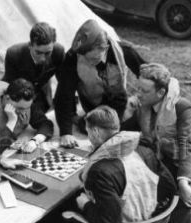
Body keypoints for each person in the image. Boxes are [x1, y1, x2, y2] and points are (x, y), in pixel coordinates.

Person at [122, 63, 191, 223]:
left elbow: (189, 148)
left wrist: (184, 181)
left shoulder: (182, 107)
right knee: (136, 180)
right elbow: (126, 130)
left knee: (188, 195)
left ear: (161, 92)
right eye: (137, 89)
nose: (138, 94)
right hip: (165, 160)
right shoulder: (144, 106)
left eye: (144, 90)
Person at [76, 105, 176, 223]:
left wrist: (85, 204)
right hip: (153, 218)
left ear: (95, 132)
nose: (89, 138)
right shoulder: (145, 150)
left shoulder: (99, 171)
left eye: (88, 132)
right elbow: (170, 186)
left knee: (73, 202)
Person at [54, 19, 146, 148]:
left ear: (105, 48)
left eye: (94, 59)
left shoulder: (123, 50)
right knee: (97, 131)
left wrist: (142, 95)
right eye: (85, 59)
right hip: (92, 105)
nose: (90, 62)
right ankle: (81, 120)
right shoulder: (73, 57)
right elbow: (63, 95)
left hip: (118, 102)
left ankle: (87, 121)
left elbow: (148, 73)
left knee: (117, 131)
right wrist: (65, 133)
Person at [0, 78, 54, 154]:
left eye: (27, 108)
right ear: (7, 98)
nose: (24, 112)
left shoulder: (25, 104)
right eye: (20, 108)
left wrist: (35, 141)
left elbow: (45, 124)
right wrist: (11, 122)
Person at [3, 22, 65, 112]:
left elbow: (64, 82)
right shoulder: (14, 54)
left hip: (40, 93)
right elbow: (11, 86)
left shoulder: (58, 52)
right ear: (30, 45)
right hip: (18, 97)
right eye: (38, 53)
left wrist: (57, 104)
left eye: (48, 53)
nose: (43, 58)